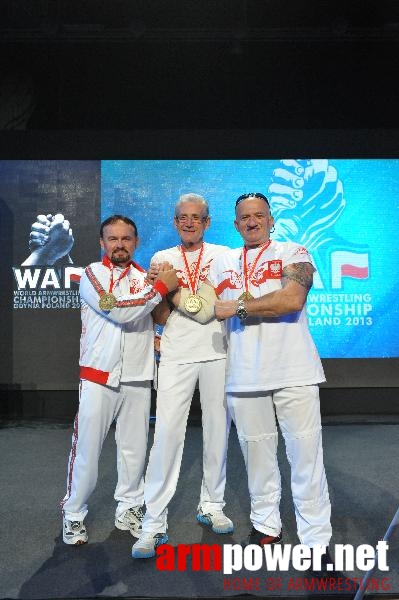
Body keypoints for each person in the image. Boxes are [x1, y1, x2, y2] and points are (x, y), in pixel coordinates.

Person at [170, 192, 332, 558]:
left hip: (295, 371)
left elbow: (291, 301)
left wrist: (239, 306)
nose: (252, 221)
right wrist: (171, 290)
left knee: (306, 459)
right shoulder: (222, 261)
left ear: (271, 220)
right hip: (243, 375)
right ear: (235, 224)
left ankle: (317, 542)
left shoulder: (293, 252)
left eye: (259, 215)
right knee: (257, 460)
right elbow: (205, 310)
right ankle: (266, 528)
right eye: (245, 217)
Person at [60, 215, 179, 545]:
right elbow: (121, 311)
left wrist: (159, 294)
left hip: (138, 377)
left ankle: (129, 509)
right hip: (98, 377)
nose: (119, 245)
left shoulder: (145, 277)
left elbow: (154, 315)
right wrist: (159, 289)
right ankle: (73, 515)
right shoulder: (90, 275)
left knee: (134, 452)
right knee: (86, 451)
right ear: (102, 243)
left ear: (136, 243)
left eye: (126, 239)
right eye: (112, 239)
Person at [132, 193, 233, 559]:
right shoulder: (162, 259)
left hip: (217, 351)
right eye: (182, 218)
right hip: (175, 354)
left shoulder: (224, 256)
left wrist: (179, 292)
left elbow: (215, 309)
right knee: (166, 437)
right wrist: (169, 297)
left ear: (207, 222)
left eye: (196, 217)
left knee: (217, 431)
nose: (189, 223)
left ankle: (212, 504)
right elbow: (158, 312)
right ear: (175, 222)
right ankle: (153, 523)